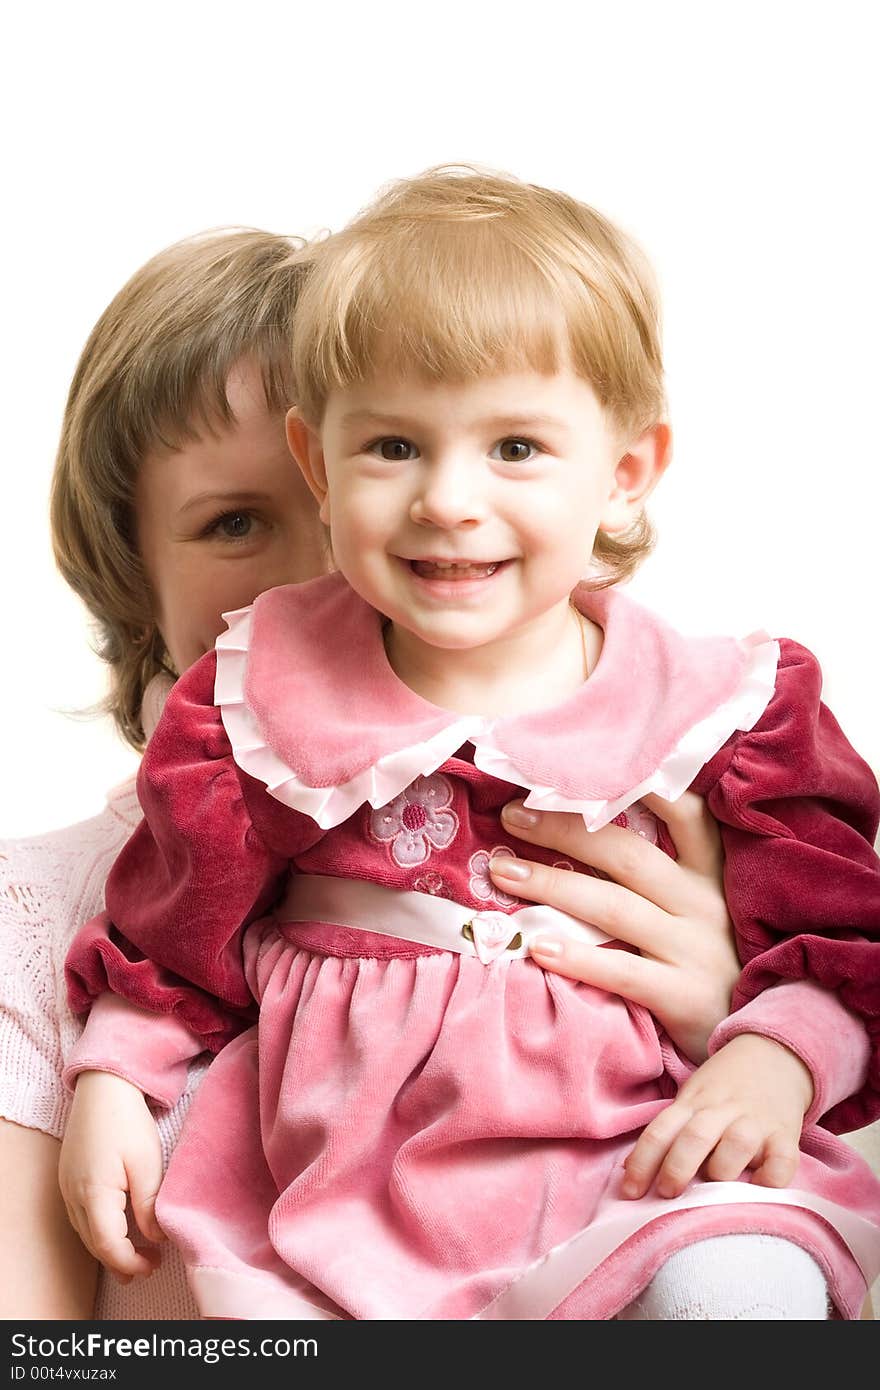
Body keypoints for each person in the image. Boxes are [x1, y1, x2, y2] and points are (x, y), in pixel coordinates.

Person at [61, 169, 880, 1320]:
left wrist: (775, 1052)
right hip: (345, 1186)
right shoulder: (259, 701)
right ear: (322, 458)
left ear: (626, 471)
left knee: (735, 1285)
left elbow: (837, 937)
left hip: (640, 1163)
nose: (449, 498)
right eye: (393, 446)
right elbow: (175, 928)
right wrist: (111, 1079)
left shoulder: (720, 707)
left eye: (513, 448)